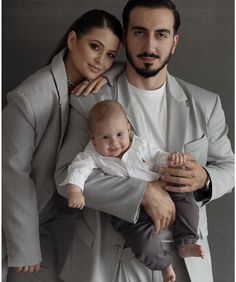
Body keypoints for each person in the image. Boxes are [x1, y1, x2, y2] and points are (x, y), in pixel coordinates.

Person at [55, 0, 234, 281]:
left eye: (161, 34)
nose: (150, 46)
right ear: (125, 38)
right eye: (139, 32)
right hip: (111, 262)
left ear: (174, 42)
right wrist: (141, 192)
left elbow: (229, 167)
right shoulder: (90, 101)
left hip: (187, 262)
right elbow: (66, 178)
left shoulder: (206, 103)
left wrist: (205, 178)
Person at [2, 9, 123, 282]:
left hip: (56, 222)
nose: (101, 61)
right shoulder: (29, 97)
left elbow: (122, 67)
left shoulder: (93, 85)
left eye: (110, 55)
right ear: (71, 40)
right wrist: (26, 248)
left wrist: (109, 74)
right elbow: (12, 173)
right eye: (95, 47)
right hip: (19, 223)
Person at [59, 100, 204, 282]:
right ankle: (165, 265)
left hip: (162, 188)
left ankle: (186, 242)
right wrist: (75, 191)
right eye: (105, 137)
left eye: (119, 134)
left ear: (128, 129)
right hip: (129, 211)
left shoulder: (140, 145)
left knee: (187, 203)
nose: (114, 143)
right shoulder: (92, 155)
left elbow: (157, 157)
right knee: (142, 244)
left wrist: (172, 159)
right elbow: (78, 169)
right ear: (93, 138)